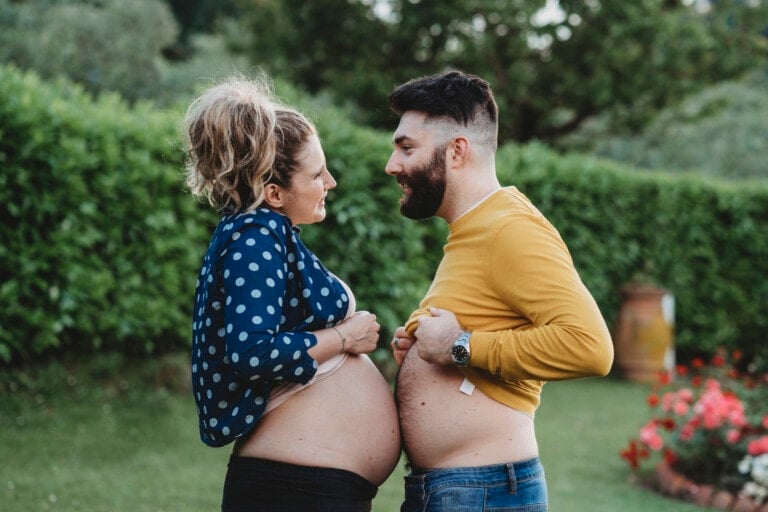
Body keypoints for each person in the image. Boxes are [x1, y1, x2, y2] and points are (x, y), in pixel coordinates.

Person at [385, 70, 614, 512]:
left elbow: (590, 347)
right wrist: (418, 348)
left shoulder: (509, 229)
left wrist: (460, 346)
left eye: (407, 148)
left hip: (483, 491)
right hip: (461, 488)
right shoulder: (474, 228)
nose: (392, 165)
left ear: (456, 151)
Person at [183, 76, 401, 512]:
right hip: (292, 487)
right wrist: (345, 338)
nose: (331, 182)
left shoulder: (267, 235)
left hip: (306, 483)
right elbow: (251, 351)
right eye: (317, 174)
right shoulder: (254, 237)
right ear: (274, 193)